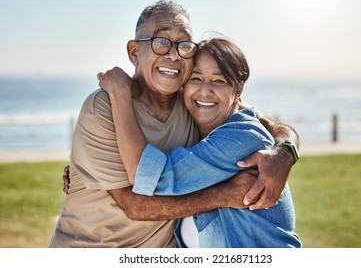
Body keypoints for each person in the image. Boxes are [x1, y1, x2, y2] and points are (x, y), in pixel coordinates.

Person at [52, 0, 299, 248]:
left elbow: (266, 127)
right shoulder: (105, 106)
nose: (173, 54)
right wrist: (223, 195)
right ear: (134, 52)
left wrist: (284, 153)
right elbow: (134, 205)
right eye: (161, 42)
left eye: (184, 45)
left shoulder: (196, 104)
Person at [98, 37, 301, 248]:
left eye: (219, 81)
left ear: (238, 90)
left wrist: (120, 93)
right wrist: (81, 169)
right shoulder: (195, 136)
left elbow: (151, 177)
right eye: (195, 78)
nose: (205, 91)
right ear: (182, 85)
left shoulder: (241, 138)